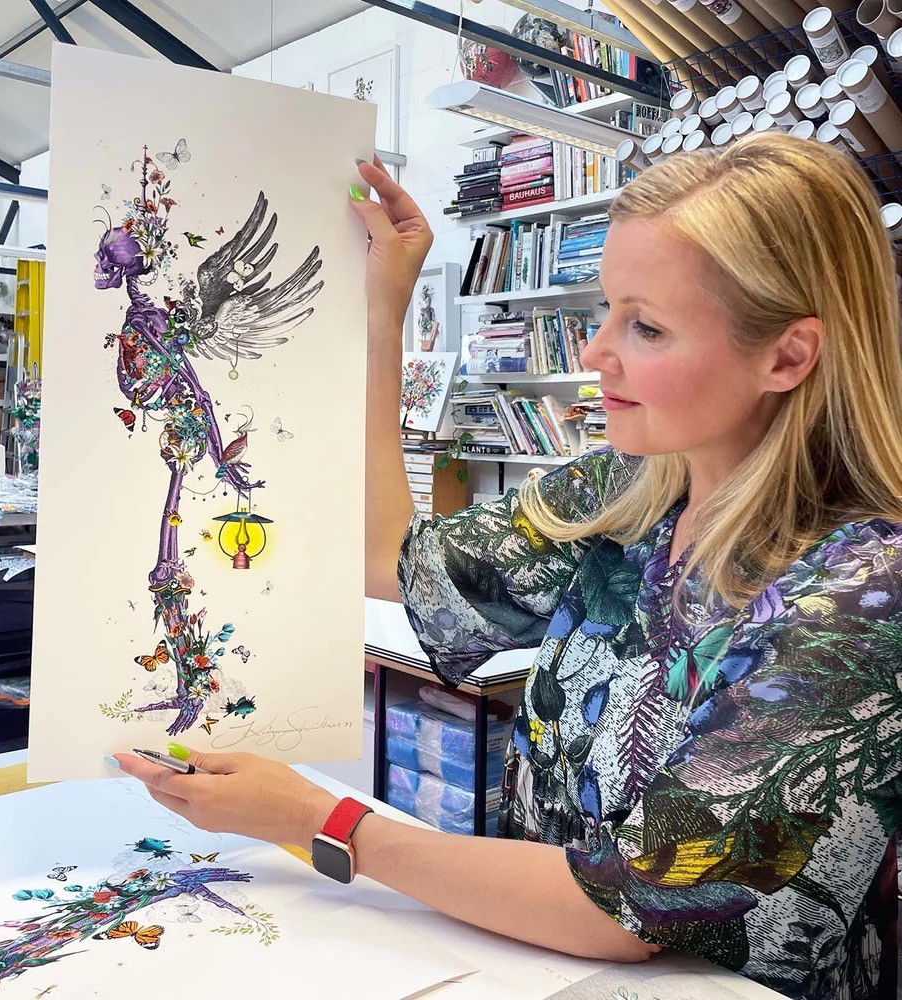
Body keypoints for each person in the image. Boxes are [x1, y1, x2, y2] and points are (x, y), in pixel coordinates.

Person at [114, 134, 902, 1000]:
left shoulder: (863, 596)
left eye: (645, 326)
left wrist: (320, 821)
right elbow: (391, 561)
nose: (594, 353)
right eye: (606, 310)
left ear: (787, 356)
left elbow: (624, 909)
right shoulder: (630, 489)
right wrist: (385, 314)